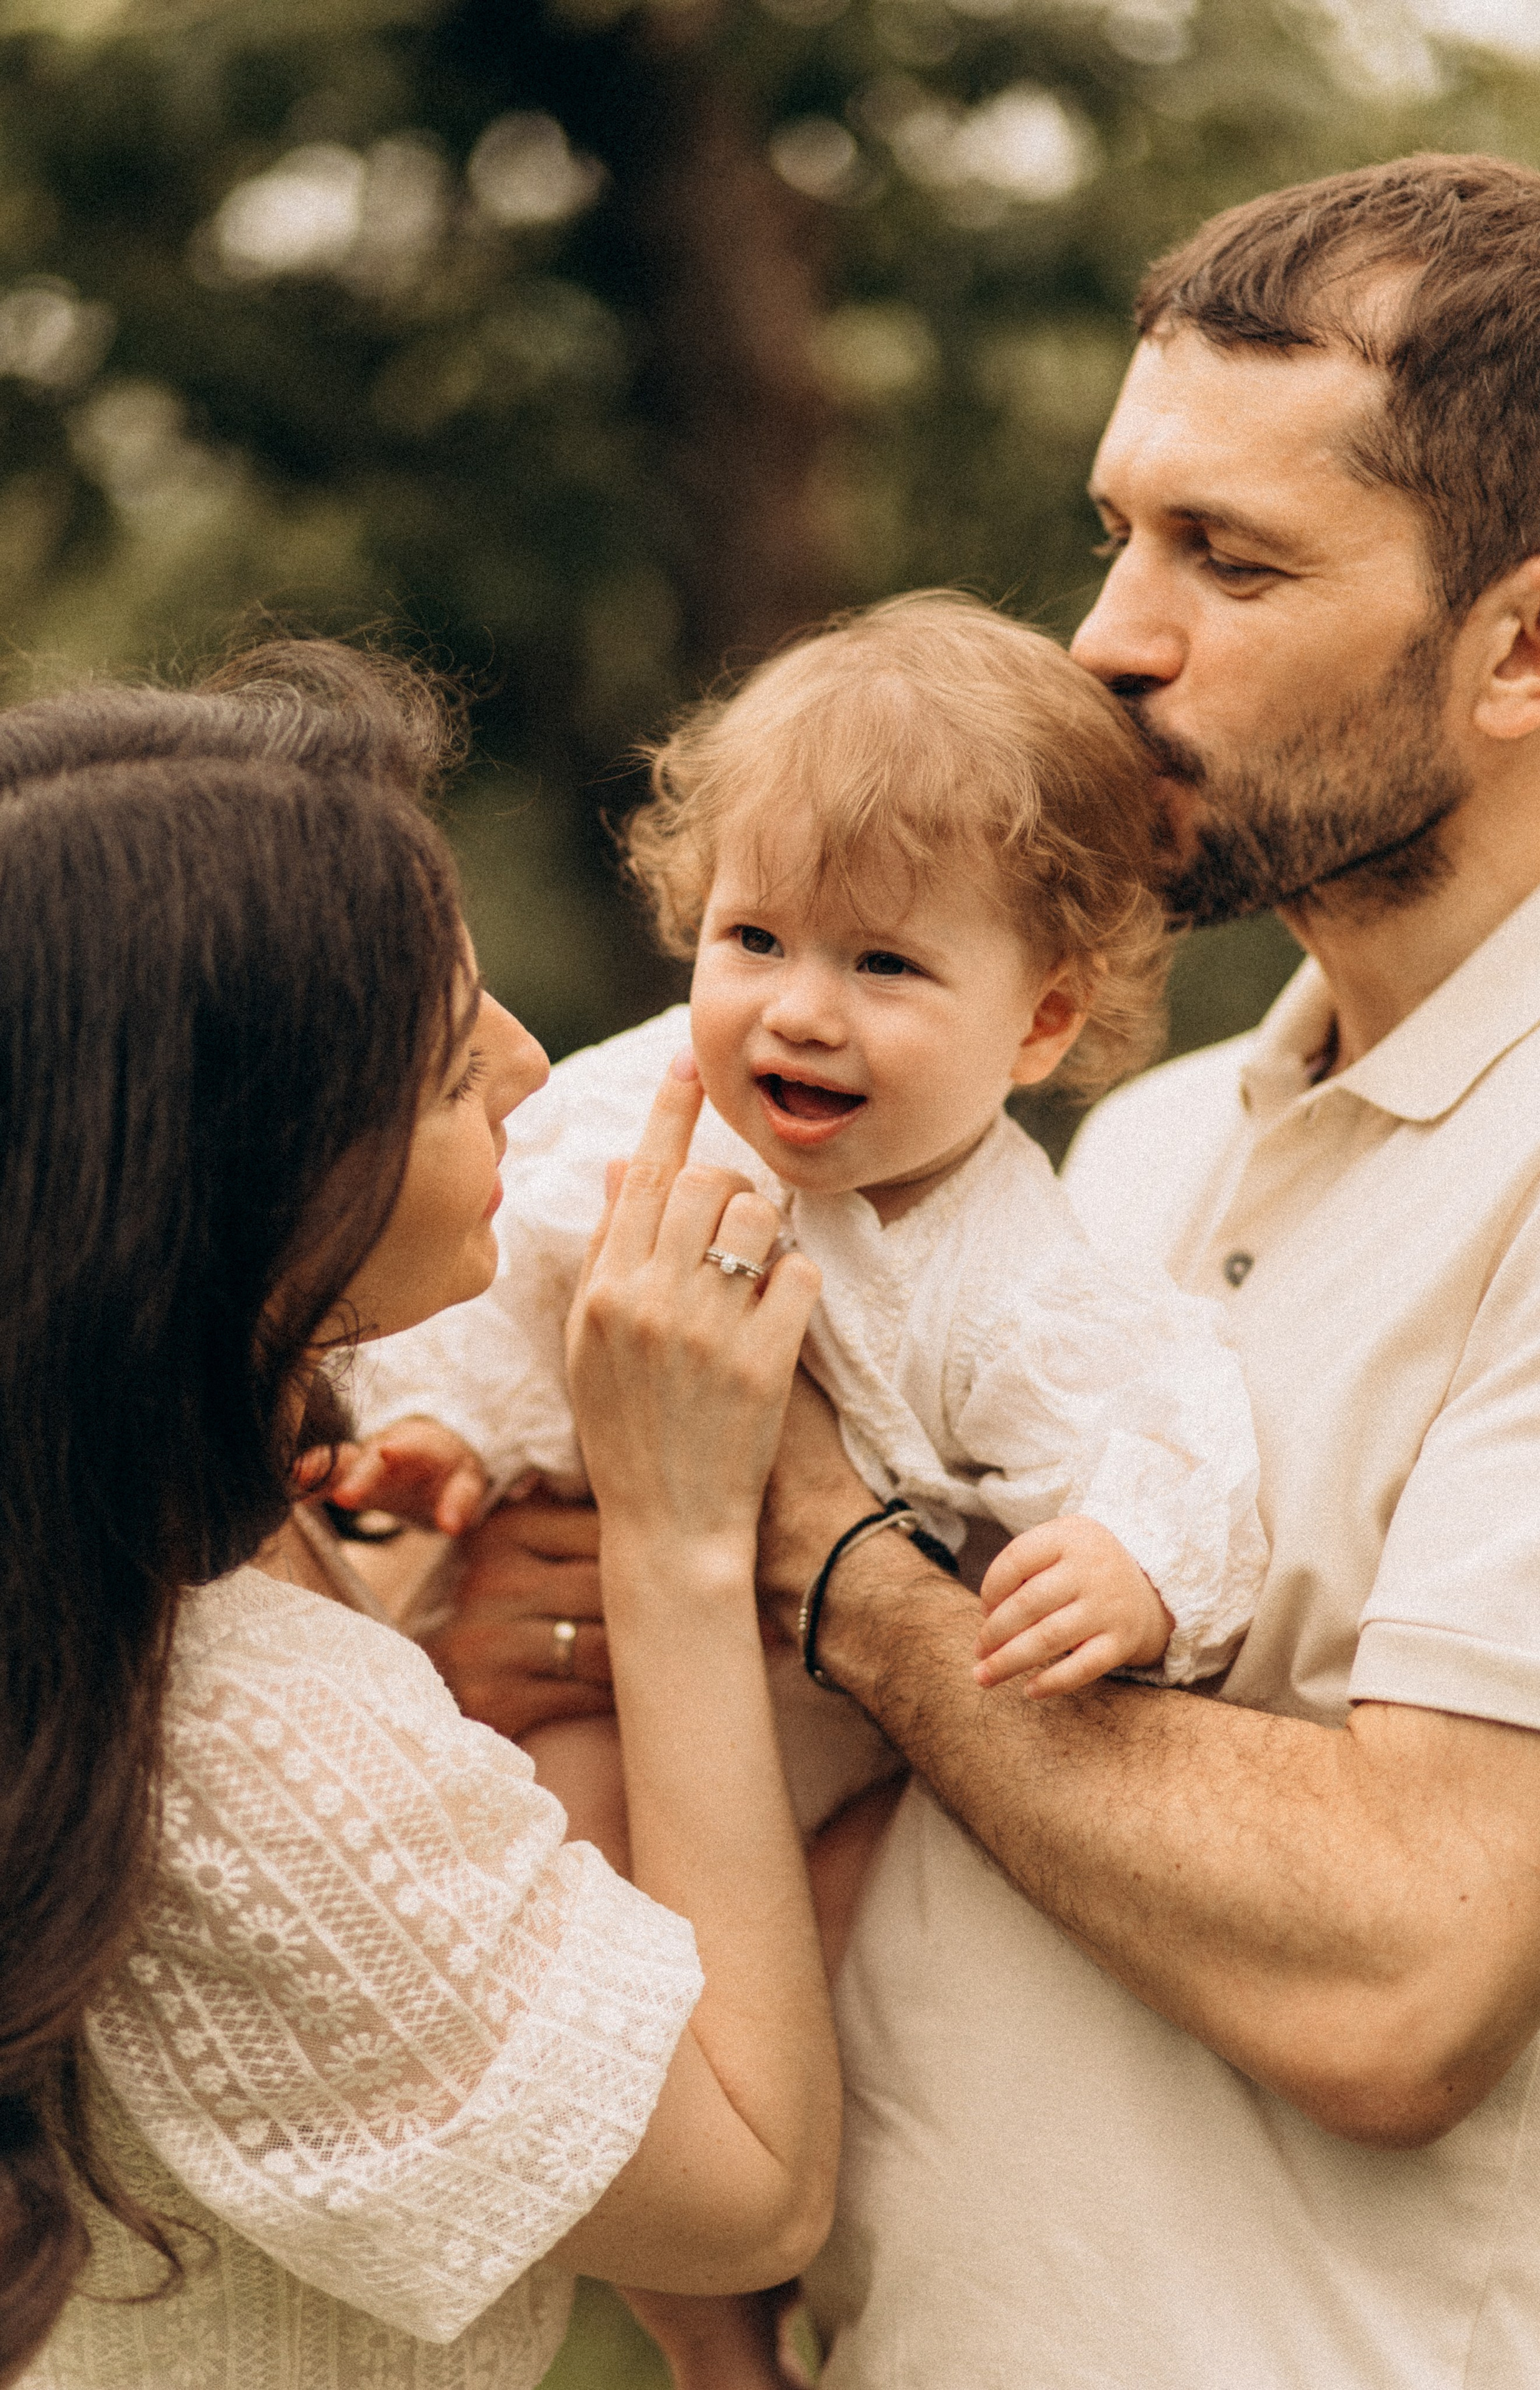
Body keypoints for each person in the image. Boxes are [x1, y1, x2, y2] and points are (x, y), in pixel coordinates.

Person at [423, 152, 1540, 2387]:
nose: (1110, 641)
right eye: (1119, 534)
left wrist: (814, 1550)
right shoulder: (1131, 1144)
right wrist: (597, 1596)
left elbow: (1410, 1971)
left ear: (1534, 637)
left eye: (1229, 558)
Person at [332, 595, 1268, 2388]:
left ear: (1041, 1021)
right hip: (625, 1690)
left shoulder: (1007, 1273)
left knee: (862, 1943)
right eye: (754, 937)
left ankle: (788, 2284)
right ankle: (705, 2340)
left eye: (888, 967)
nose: (800, 1011)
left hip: (842, 1739)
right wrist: (443, 1437)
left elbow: (1171, 1416)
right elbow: (512, 1287)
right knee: (568, 1903)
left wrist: (1134, 1557)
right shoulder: (642, 1116)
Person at [0, 641, 840, 2390]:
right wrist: (676, 1537)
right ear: (244, 1176)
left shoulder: (115, 1588)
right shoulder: (233, 1740)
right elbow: (751, 2190)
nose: (531, 1066)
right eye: (453, 1064)